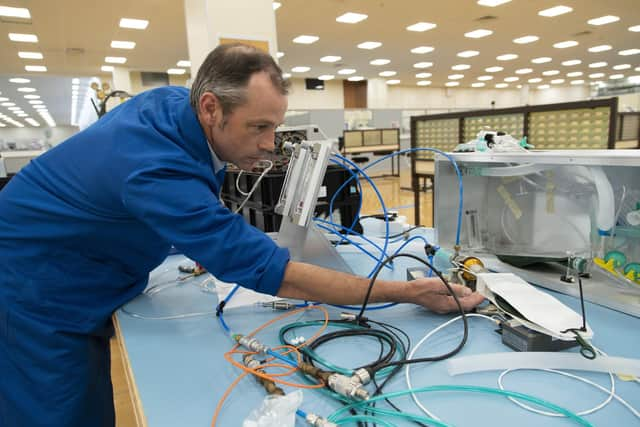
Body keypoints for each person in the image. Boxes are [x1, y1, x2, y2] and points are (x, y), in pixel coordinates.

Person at [0, 43, 484, 427]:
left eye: (275, 126)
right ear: (211, 107)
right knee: (63, 411)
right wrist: (407, 293)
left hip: (69, 260)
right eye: (258, 127)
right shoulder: (153, 168)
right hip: (34, 288)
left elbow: (162, 201)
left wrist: (205, 238)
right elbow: (276, 275)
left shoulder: (178, 107)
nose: (270, 145)